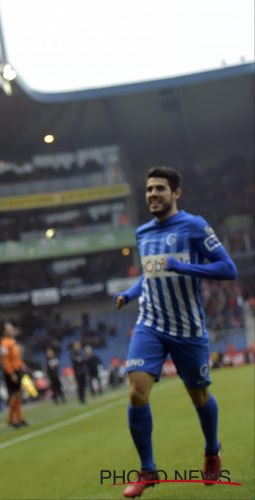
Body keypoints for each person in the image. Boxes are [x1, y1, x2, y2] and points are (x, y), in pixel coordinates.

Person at [115, 166, 237, 498]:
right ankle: (147, 470)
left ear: (175, 193)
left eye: (160, 189)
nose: (153, 194)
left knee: (199, 396)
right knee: (136, 393)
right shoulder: (142, 233)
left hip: (187, 328)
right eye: (149, 189)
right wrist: (130, 292)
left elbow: (229, 268)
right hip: (150, 324)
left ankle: (212, 451)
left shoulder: (194, 226)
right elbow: (151, 275)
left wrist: (186, 267)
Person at [0, 322, 26, 427]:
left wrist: (22, 365)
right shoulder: (4, 343)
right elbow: (5, 360)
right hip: (11, 372)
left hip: (17, 370)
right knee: (14, 395)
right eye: (9, 329)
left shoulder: (13, 341)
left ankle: (19, 418)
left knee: (18, 395)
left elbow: (16, 357)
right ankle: (11, 419)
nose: (12, 330)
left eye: (12, 328)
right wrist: (11, 373)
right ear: (5, 331)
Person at [70, 340, 88, 404]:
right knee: (80, 386)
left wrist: (81, 358)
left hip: (83, 371)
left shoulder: (82, 351)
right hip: (78, 372)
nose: (78, 346)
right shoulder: (72, 353)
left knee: (84, 385)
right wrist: (81, 359)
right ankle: (81, 399)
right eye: (76, 345)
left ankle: (84, 398)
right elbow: (75, 360)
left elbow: (86, 358)